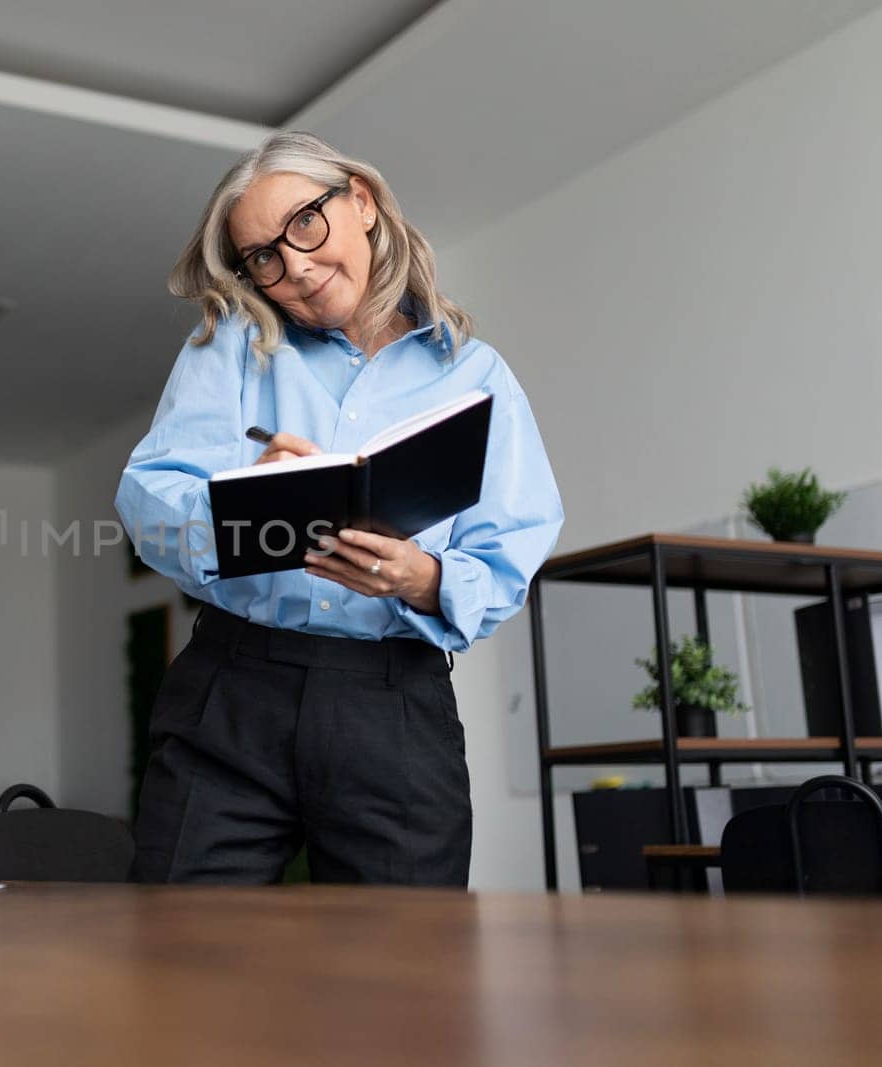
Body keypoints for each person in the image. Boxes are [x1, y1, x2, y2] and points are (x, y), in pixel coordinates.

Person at [115, 131, 563, 886]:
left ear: (361, 201)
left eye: (305, 224)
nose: (295, 266)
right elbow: (147, 500)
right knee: (177, 956)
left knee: (402, 976)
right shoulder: (230, 345)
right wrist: (242, 501)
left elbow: (509, 547)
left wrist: (420, 577)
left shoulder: (477, 376)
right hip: (232, 690)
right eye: (265, 255)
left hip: (395, 705)